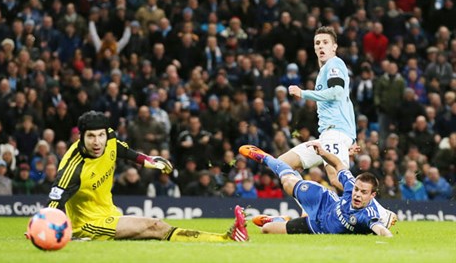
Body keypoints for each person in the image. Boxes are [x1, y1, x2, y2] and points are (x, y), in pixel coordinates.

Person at [43, 111, 247, 242]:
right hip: (88, 225)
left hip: (110, 212)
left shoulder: (110, 139)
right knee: (154, 226)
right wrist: (45, 229)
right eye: (91, 136)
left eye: (100, 135)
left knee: (155, 231)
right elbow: (54, 203)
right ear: (81, 136)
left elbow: (122, 150)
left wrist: (147, 160)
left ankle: (225, 238)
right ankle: (224, 239)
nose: (97, 142)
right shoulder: (73, 168)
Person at [273, 26, 396, 229]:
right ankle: (311, 210)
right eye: (317, 43)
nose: (321, 46)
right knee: (284, 164)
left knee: (336, 178)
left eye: (325, 42)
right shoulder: (324, 70)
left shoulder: (334, 63)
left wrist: (304, 93)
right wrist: (352, 138)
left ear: (334, 47)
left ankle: (381, 213)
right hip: (330, 135)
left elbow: (337, 92)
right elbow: (346, 103)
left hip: (335, 132)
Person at [239, 142, 393, 237]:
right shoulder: (350, 185)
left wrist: (389, 239)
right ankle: (264, 157)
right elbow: (339, 164)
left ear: (372, 195)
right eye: (357, 190)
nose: (357, 194)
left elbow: (380, 229)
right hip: (323, 201)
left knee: (266, 229)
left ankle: (278, 220)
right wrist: (324, 153)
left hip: (317, 227)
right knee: (287, 182)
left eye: (363, 192)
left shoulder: (367, 215)